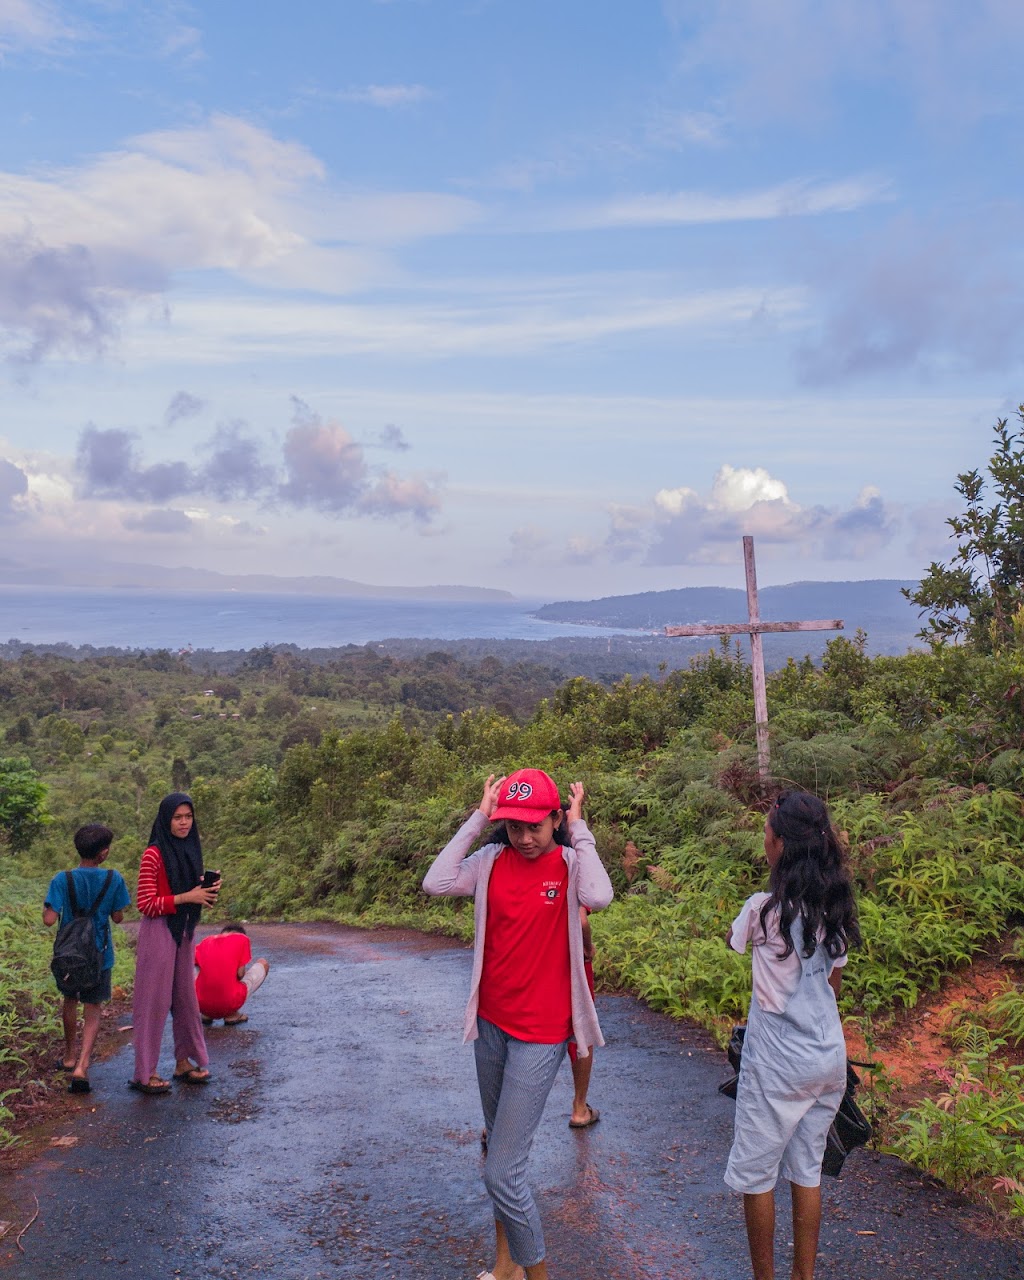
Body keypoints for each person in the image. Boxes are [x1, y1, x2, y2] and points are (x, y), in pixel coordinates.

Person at [423, 768, 613, 1280]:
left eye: (535, 826)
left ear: (555, 819)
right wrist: (478, 817)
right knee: (497, 1153)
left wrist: (579, 828)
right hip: (490, 1026)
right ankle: (505, 1265)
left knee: (503, 1172)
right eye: (513, 827)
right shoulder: (489, 862)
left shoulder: (570, 864)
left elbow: (599, 896)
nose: (525, 838)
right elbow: (436, 881)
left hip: (541, 1034)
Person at [724, 789, 861, 1280]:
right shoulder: (835, 910)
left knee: (756, 1175)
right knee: (807, 1169)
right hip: (826, 1059)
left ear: (780, 845)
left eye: (766, 832)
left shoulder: (762, 911)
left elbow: (734, 942)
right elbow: (832, 987)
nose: (764, 839)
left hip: (776, 1065)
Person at [131, 792, 220, 1094]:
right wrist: (186, 897)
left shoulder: (191, 848)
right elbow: (145, 903)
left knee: (185, 999)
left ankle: (184, 1061)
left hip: (184, 930)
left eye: (188, 817)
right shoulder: (153, 854)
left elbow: (191, 894)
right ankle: (145, 1073)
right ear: (165, 820)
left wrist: (205, 890)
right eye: (177, 817)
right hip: (159, 930)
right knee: (153, 1002)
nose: (184, 823)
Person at [43, 824, 131, 1094]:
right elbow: (118, 918)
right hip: (99, 956)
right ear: (103, 853)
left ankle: (69, 1055)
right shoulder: (113, 878)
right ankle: (82, 1065)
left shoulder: (62, 879)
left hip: (69, 956)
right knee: (92, 1007)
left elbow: (49, 920)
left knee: (70, 1000)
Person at [195, 923, 270, 1025]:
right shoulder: (242, 939)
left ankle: (206, 1014)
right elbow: (240, 974)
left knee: (195, 966)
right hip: (229, 1001)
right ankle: (231, 1014)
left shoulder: (206, 941)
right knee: (263, 963)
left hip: (201, 1003)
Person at [567, 904, 600, 1128]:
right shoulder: (571, 880)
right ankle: (580, 1108)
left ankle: (498, 1121)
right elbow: (581, 921)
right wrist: (587, 948)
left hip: (530, 959)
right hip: (572, 960)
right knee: (580, 1030)